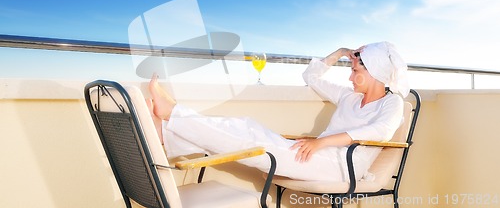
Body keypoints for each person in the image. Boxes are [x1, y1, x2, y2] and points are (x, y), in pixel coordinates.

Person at [147, 41, 409, 182]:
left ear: (375, 74)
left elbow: (379, 132)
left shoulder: (392, 103)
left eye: (355, 71)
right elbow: (311, 76)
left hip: (341, 167)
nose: (351, 77)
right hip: (316, 155)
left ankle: (171, 118)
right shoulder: (349, 97)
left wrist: (322, 143)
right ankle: (167, 127)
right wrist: (340, 52)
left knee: (251, 138)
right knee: (248, 128)